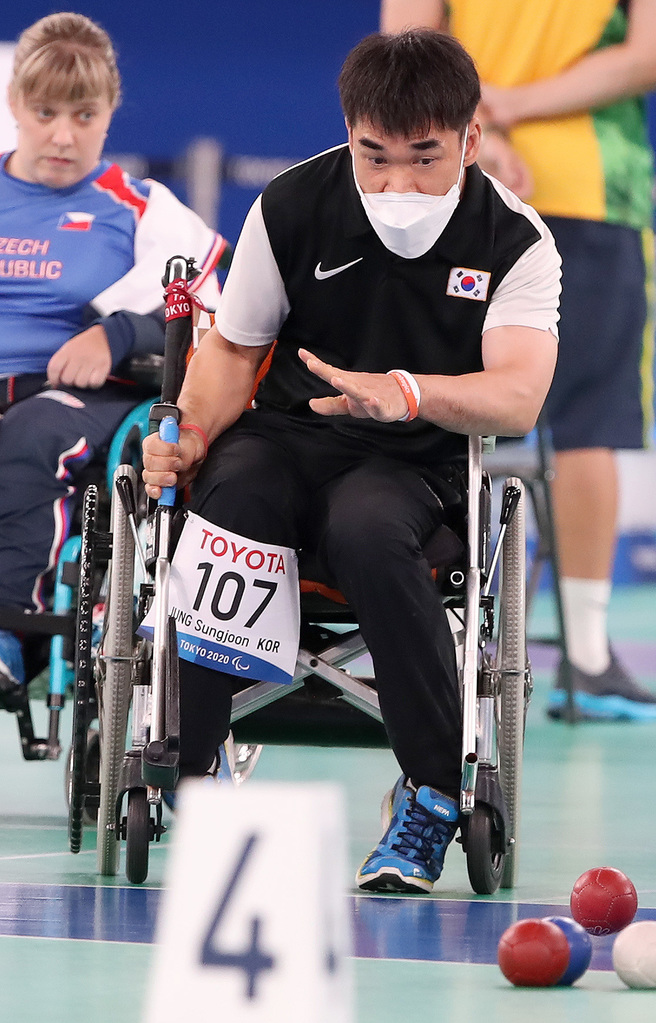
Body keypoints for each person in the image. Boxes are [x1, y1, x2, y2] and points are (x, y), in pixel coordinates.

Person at [143, 29, 560, 894]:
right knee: (230, 497)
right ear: (348, 133)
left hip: (417, 465)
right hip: (288, 437)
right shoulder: (292, 204)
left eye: (423, 158)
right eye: (375, 156)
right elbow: (232, 351)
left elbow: (518, 394)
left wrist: (406, 393)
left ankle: (431, 792)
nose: (397, 183)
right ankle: (194, 768)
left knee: (367, 528)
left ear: (471, 140)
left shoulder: (516, 240)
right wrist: (189, 433)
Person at [381, 0, 656, 722]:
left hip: (452, 174)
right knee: (585, 425)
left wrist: (474, 127)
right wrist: (506, 109)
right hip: (583, 185)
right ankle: (587, 657)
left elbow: (405, 43)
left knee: (424, 396)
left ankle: (414, 635)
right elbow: (654, 53)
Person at [0, 12, 227, 709]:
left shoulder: (140, 207)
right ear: (14, 104)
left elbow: (211, 315)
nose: (63, 136)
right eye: (45, 113)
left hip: (76, 396)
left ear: (109, 113)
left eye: (84, 115)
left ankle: (11, 632)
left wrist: (118, 334)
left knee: (31, 435)